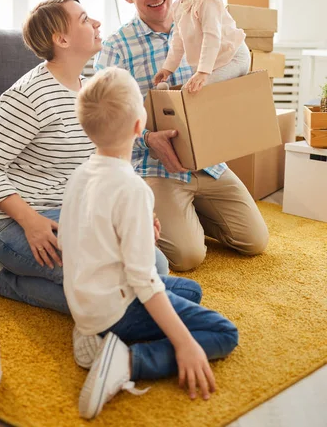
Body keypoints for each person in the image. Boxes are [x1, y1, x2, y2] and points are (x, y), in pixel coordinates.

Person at [0, 0, 169, 323]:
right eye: (84, 19)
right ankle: (0, 279)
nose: (96, 23)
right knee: (109, 289)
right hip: (15, 221)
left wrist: (134, 214)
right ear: (61, 40)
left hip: (71, 211)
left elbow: (99, 167)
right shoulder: (26, 97)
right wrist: (31, 222)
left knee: (156, 265)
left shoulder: (89, 92)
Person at [59, 67, 239, 420]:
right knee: (223, 332)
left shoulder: (81, 174)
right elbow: (144, 281)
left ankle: (93, 334)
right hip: (115, 307)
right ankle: (125, 361)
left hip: (87, 299)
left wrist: (142, 234)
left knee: (191, 291)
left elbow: (77, 240)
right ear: (140, 127)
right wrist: (185, 344)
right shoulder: (132, 188)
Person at [95, 0, 269, 271]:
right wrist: (147, 139)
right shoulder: (115, 48)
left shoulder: (200, 21)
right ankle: (149, 213)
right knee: (188, 256)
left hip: (208, 161)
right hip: (156, 169)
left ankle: (192, 213)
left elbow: (228, 81)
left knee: (254, 241)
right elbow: (102, 121)